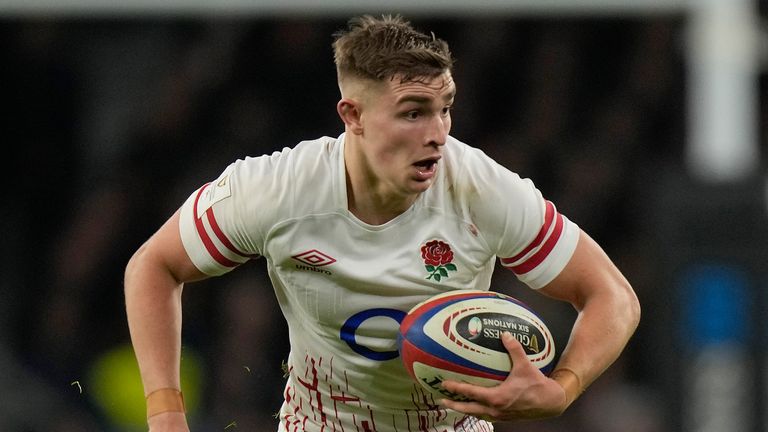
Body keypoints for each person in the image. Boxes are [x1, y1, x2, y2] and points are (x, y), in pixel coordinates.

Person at [124, 14, 641, 432]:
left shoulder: (481, 189)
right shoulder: (278, 189)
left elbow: (613, 296)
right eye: (414, 112)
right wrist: (166, 413)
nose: (438, 134)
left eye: (446, 109)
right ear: (353, 115)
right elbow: (154, 266)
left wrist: (562, 388)